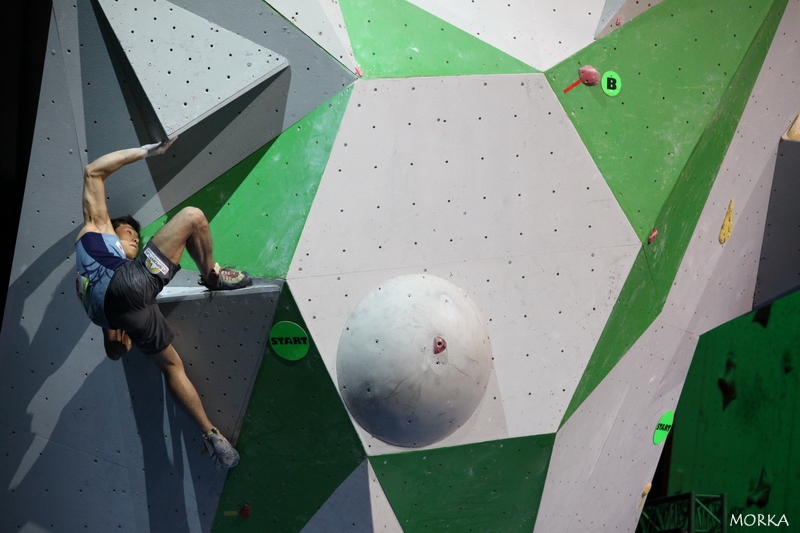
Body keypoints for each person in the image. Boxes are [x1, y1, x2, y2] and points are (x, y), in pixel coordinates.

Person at [74, 140, 251, 469]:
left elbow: (114, 351)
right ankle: (212, 276)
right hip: (128, 288)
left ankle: (213, 435)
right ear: (115, 230)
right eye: (131, 235)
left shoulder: (86, 281)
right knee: (192, 216)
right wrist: (150, 150)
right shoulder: (98, 228)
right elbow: (93, 171)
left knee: (172, 367)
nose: (135, 241)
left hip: (119, 310)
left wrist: (127, 335)